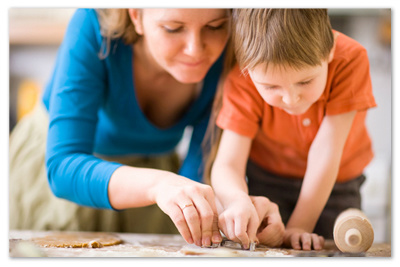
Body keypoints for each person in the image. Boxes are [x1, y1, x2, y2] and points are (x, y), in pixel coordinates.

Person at [207, 9, 376, 250]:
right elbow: (228, 164)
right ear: (247, 68)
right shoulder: (241, 78)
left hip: (336, 182)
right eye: (271, 86)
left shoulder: (350, 59)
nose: (290, 98)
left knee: (336, 249)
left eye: (305, 81)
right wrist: (237, 200)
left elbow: (326, 150)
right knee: (267, 248)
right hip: (268, 178)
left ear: (329, 52)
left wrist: (300, 226)